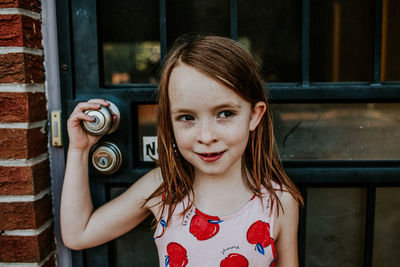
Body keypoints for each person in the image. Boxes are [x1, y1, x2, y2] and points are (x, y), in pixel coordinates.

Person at [61, 35, 303, 267]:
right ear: (170, 121)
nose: (207, 137)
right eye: (187, 117)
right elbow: (78, 234)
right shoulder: (164, 188)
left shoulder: (278, 202)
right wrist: (79, 151)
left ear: (254, 115)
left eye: (225, 114)